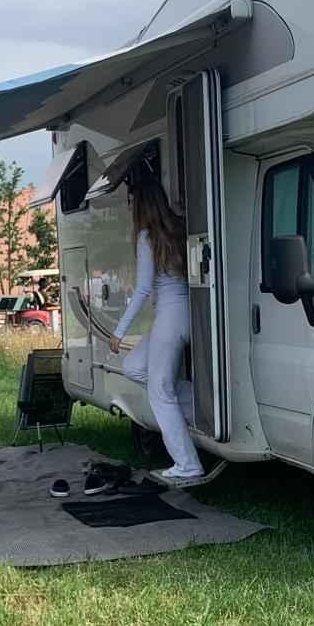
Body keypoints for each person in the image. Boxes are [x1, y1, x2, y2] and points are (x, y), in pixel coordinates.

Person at [107, 165, 204, 482]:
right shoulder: (179, 227)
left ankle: (187, 464)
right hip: (187, 314)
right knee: (135, 367)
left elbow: (144, 288)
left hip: (169, 317)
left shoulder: (147, 237)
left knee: (160, 391)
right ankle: (203, 404)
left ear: (141, 205)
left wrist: (119, 332)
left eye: (133, 202)